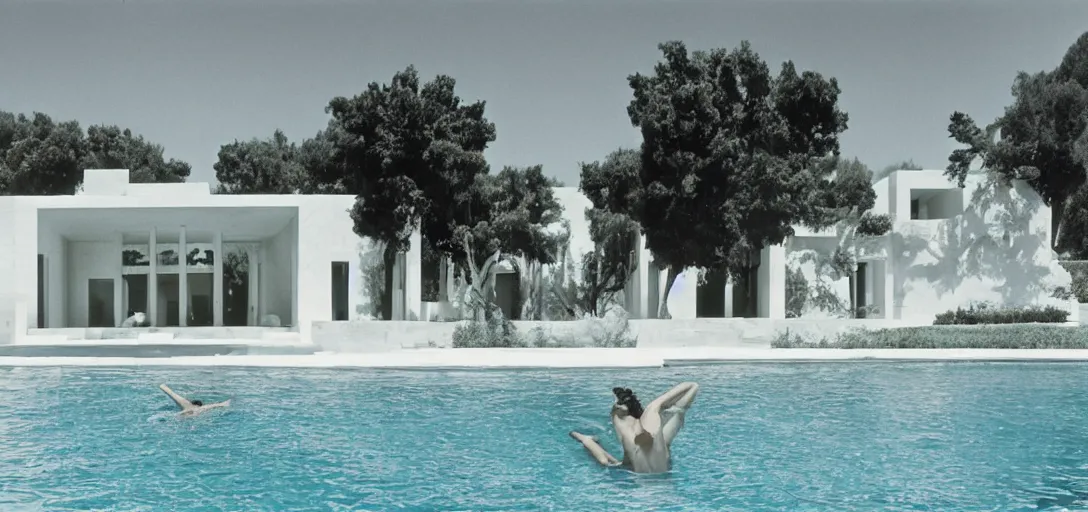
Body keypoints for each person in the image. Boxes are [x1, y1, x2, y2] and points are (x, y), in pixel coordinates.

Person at [569, 381, 699, 474]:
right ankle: (586, 440)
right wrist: (666, 403)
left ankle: (586, 440)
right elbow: (692, 386)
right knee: (610, 462)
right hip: (652, 475)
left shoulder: (646, 416)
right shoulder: (653, 422)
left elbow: (693, 386)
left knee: (607, 463)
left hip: (634, 474)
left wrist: (661, 404)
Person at [159, 384, 231, 417]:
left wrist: (162, 386)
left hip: (179, 415)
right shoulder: (200, 408)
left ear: (192, 403)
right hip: (192, 417)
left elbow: (172, 394)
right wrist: (225, 403)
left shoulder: (185, 404)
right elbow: (214, 405)